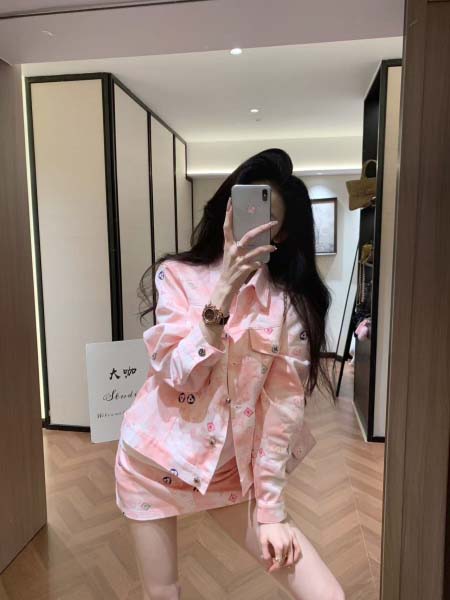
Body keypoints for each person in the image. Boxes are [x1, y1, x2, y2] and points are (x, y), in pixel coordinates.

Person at [114, 148, 345, 600]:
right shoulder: (176, 276)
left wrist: (271, 511)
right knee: (163, 593)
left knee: (326, 595)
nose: (251, 226)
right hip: (152, 462)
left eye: (267, 220)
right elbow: (176, 373)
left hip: (228, 474)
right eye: (244, 210)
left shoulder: (285, 305)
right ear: (226, 209)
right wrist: (223, 290)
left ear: (281, 234)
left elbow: (282, 409)